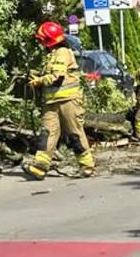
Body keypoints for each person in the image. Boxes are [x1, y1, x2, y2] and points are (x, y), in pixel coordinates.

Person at [22, 20, 95, 180]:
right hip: (51, 103)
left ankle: (87, 166)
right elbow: (51, 74)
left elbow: (57, 77)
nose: (41, 43)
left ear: (48, 40)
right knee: (47, 133)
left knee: (74, 133)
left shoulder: (62, 52)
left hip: (68, 100)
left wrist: (39, 81)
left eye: (42, 40)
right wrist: (35, 76)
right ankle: (39, 167)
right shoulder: (52, 55)